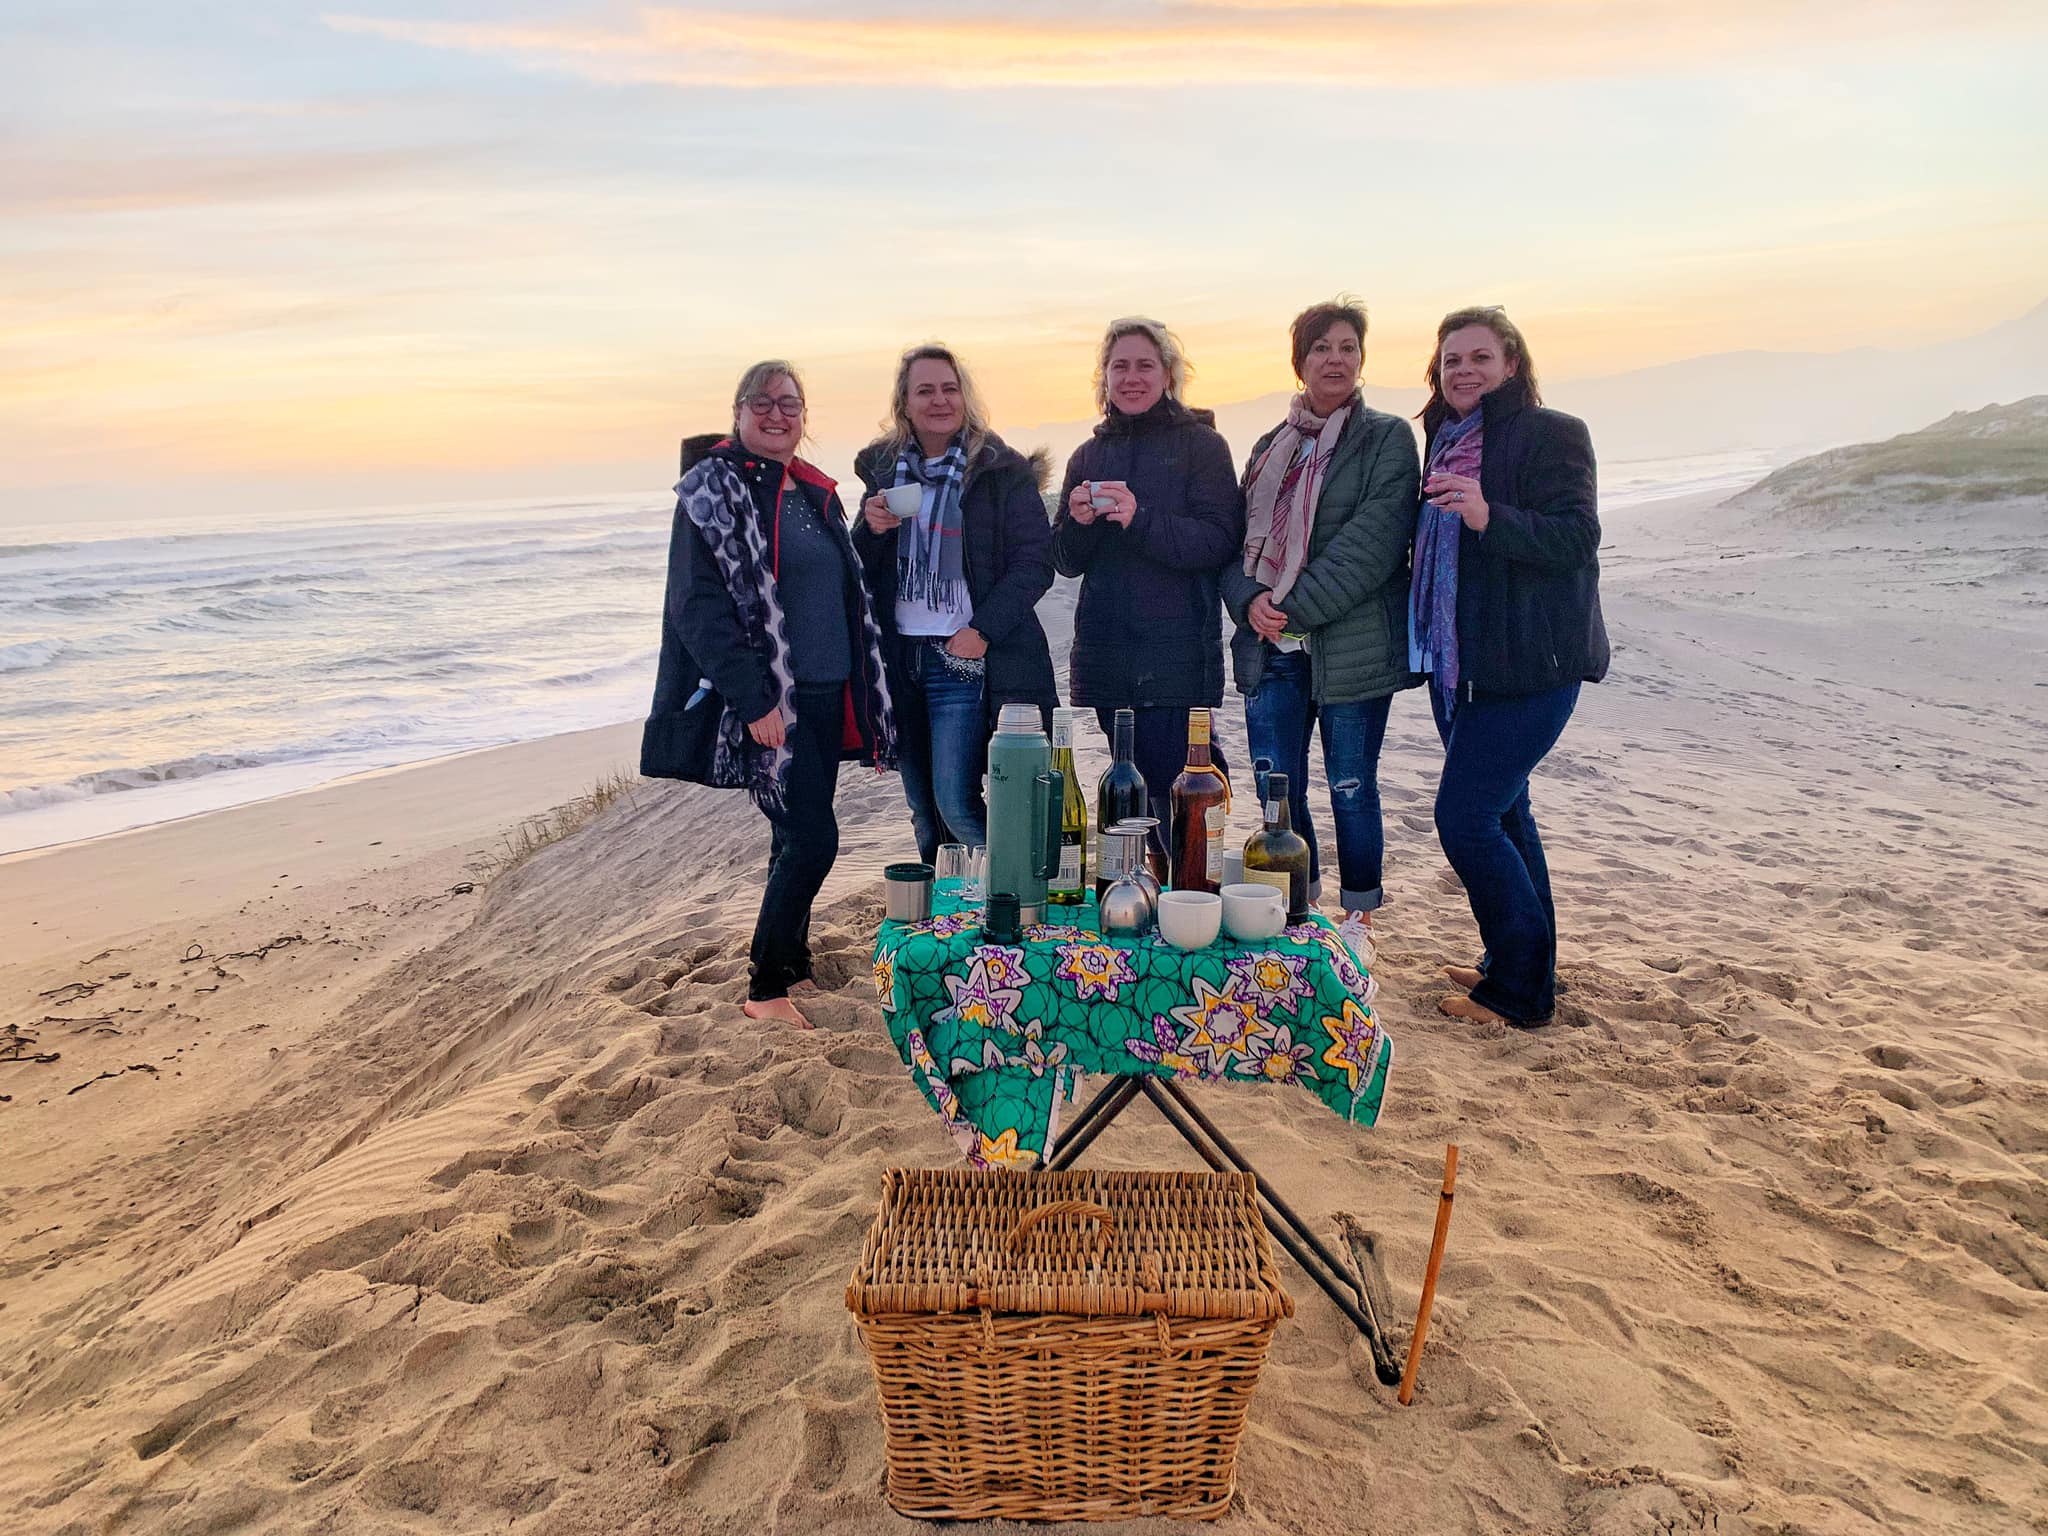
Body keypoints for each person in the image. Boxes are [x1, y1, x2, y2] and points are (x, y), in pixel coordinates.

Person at [641, 360, 897, 1028]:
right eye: (763, 402)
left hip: (827, 691)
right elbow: (696, 607)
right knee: (813, 838)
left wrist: (872, 535)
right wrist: (754, 701)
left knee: (793, 833)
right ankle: (763, 987)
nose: (778, 414)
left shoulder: (811, 489)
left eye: (790, 404)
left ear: (803, 418)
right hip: (774, 700)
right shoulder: (712, 490)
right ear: (738, 411)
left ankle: (792, 962)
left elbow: (836, 584)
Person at [1410, 307, 1607, 1027]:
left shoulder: (1554, 433)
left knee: (1464, 818)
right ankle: (1521, 968)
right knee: (1506, 813)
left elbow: (1578, 537)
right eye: (1452, 360)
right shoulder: (1443, 438)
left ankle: (1517, 993)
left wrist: (1489, 515)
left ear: (1512, 364)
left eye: (1479, 357)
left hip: (1534, 664)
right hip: (1463, 666)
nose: (1464, 371)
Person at [1222, 298, 1420, 925]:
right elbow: (1233, 544)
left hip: (1352, 646)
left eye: (1348, 348)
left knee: (1351, 786)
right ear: (1299, 362)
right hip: (1270, 647)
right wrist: (1248, 601)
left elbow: (1372, 547)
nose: (1336, 359)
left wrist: (1285, 609)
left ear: (1362, 359)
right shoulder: (1268, 447)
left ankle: (1359, 918)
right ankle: (1298, 909)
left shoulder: (1387, 438)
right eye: (1321, 348)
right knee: (1275, 786)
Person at [851, 344, 1059, 862]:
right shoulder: (884, 472)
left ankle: (1015, 888)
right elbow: (858, 571)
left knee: (958, 803)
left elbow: (1035, 563)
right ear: (904, 403)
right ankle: (946, 905)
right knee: (924, 811)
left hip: (960, 656)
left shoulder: (1000, 470)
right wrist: (870, 530)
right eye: (925, 390)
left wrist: (982, 630)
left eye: (950, 388)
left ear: (965, 396)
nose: (939, 400)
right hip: (901, 660)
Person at [1052, 317, 1243, 848]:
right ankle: (1148, 884)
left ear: (1168, 374)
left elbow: (1218, 541)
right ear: (1105, 377)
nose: (1131, 377)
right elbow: (1064, 560)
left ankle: (1196, 886)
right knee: (1129, 786)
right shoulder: (1087, 456)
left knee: (1185, 785)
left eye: (1144, 365)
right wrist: (1079, 523)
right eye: (1120, 367)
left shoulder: (1203, 446)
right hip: (1106, 654)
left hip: (1178, 655)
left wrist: (1140, 518)